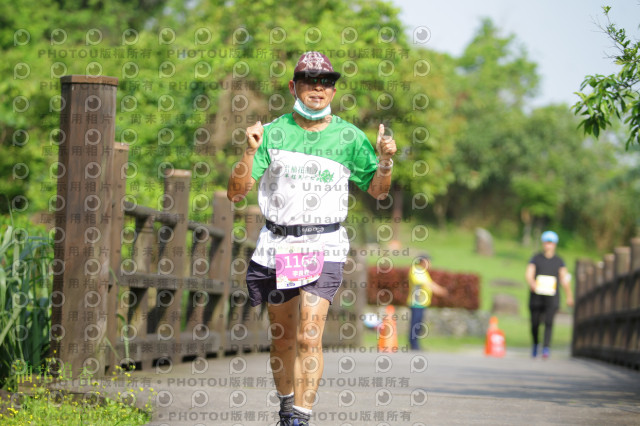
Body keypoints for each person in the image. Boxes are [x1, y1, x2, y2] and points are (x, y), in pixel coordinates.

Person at [227, 51, 397, 426]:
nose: (318, 88)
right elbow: (236, 192)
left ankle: (300, 419)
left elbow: (379, 191)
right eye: (309, 80)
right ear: (294, 86)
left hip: (324, 244)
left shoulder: (349, 136)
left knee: (308, 334)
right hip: (277, 245)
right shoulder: (272, 132)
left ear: (333, 91)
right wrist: (250, 151)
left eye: (326, 82)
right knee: (283, 339)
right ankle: (286, 407)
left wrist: (385, 161)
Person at [525, 231, 574, 359]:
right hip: (536, 297)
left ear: (555, 244)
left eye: (551, 242)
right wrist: (531, 282)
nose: (548, 245)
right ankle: (535, 344)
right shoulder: (536, 258)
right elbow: (529, 272)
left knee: (549, 322)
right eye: (546, 242)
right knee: (535, 323)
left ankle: (546, 347)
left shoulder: (559, 261)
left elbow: (564, 279)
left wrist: (569, 296)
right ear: (543, 243)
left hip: (552, 297)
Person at [406, 253, 447, 350]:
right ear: (423, 261)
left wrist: (440, 289)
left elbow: (430, 283)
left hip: (421, 303)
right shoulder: (416, 270)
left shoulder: (423, 272)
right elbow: (427, 284)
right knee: (415, 324)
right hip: (416, 302)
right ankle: (414, 345)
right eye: (428, 261)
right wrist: (439, 290)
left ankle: (416, 344)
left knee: (419, 325)